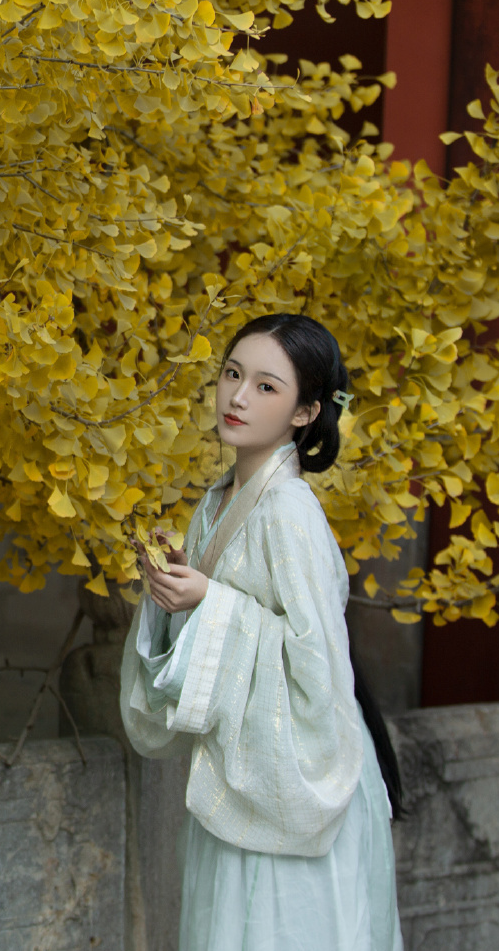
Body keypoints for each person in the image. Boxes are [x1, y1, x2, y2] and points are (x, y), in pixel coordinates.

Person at [119, 313, 404, 951]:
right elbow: (223, 620)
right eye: (231, 374)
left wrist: (211, 602)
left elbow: (318, 665)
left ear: (305, 412)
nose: (239, 397)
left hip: (290, 773)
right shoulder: (219, 499)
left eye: (267, 387)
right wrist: (177, 589)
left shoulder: (289, 512)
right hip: (240, 768)